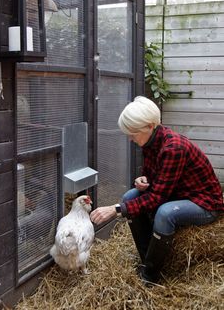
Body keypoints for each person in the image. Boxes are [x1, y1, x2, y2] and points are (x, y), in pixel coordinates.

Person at [90, 96, 224, 284]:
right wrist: (142, 180)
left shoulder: (173, 148)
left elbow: (157, 198)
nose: (130, 138)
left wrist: (116, 209)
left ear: (150, 125)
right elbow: (153, 177)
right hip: (177, 193)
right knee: (130, 196)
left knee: (164, 213)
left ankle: (150, 276)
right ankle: (148, 258)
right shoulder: (150, 141)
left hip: (204, 203)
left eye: (133, 133)